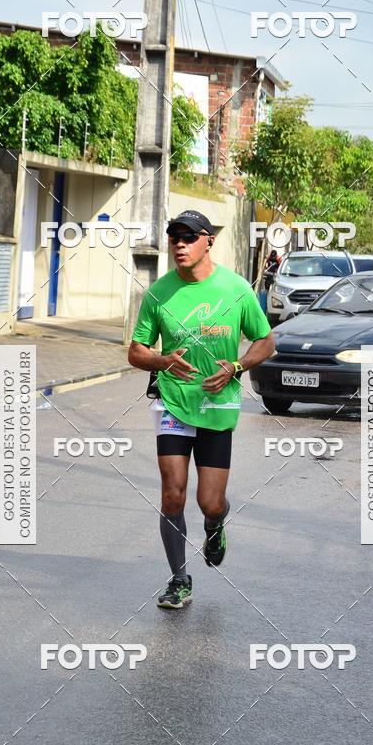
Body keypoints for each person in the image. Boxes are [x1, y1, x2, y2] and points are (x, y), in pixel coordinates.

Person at [127, 210, 275, 609]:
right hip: (173, 402)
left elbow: (266, 341)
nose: (179, 243)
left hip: (217, 404)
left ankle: (215, 524)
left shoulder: (236, 289)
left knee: (209, 500)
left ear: (208, 240)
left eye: (188, 236)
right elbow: (136, 351)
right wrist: (162, 361)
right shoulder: (159, 293)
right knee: (172, 495)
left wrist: (237, 366)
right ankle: (179, 580)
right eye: (174, 236)